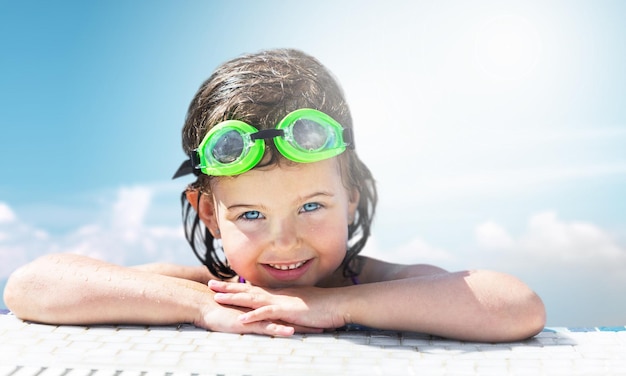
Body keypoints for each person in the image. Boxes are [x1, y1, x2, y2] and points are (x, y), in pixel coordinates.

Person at [4, 48, 545, 342]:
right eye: (251, 214)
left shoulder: (379, 283)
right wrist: (200, 308)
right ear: (210, 216)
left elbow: (516, 306)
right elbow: (31, 285)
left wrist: (328, 306)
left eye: (312, 206)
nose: (285, 241)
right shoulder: (215, 290)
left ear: (351, 198)